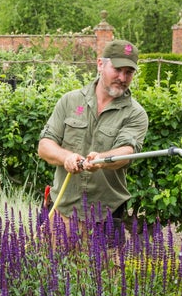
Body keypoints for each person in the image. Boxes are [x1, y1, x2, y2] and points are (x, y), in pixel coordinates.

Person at [38, 39, 148, 227]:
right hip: (62, 211)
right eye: (117, 69)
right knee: (48, 256)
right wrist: (67, 157)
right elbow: (45, 146)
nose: (122, 78)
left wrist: (102, 160)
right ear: (100, 65)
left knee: (107, 258)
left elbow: (127, 152)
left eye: (128, 72)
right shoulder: (69, 101)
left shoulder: (135, 114)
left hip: (106, 216)